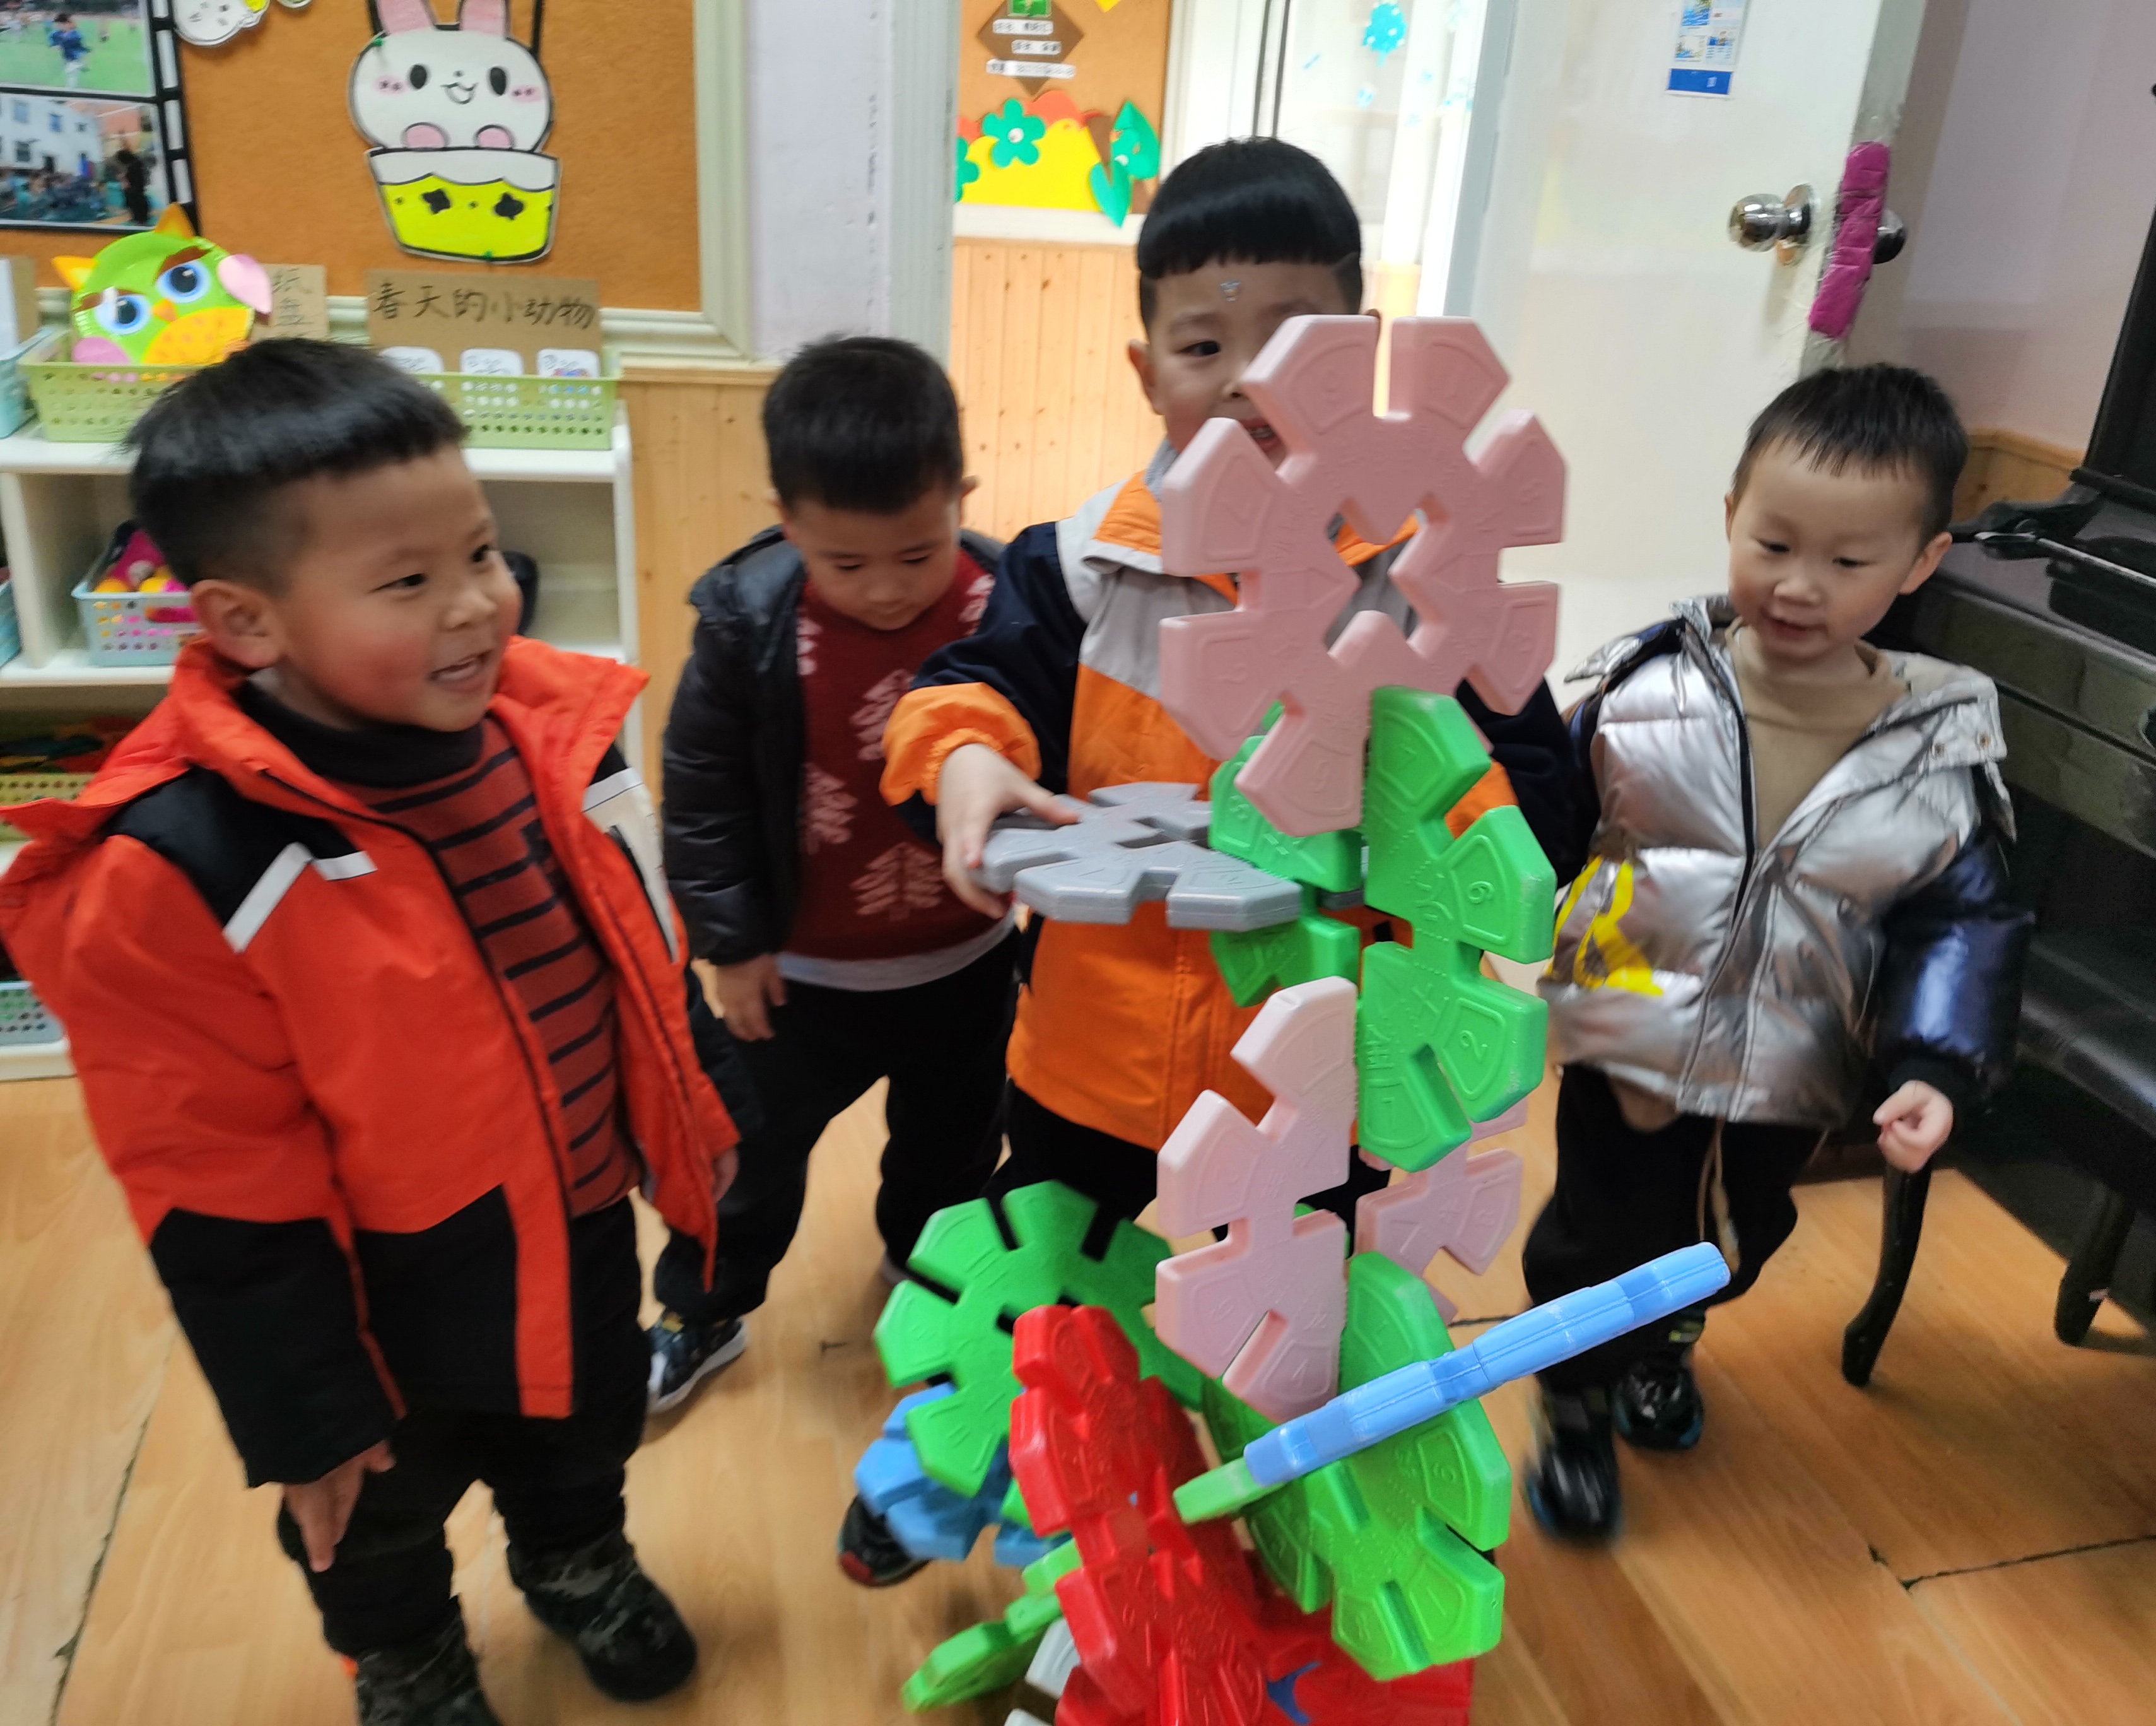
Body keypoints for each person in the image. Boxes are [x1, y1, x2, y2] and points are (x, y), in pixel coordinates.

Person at [847, 136, 1576, 1585]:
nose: (1246, 382)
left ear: (1363, 360)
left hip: (1320, 1086)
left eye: (1292, 344)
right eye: (1203, 345)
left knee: (1295, 1325)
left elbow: (1541, 808)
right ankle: (941, 1469)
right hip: (1093, 1067)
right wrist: (970, 760)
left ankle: (1277, 1533)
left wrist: (1425, 786)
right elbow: (964, 685)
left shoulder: (1430, 589)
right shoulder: (1084, 567)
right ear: (1146, 371)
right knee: (1041, 1289)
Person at [0, 340, 740, 1726]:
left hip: (578, 1213)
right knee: (372, 1508)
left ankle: (575, 1558)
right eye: (407, 582)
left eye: (482, 552)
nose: (477, 603)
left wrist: (700, 1116)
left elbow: (637, 954)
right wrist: (303, 1409)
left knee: (580, 1428)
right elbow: (211, 1176)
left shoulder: (551, 737)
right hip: (374, 1288)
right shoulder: (180, 866)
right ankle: (410, 1656)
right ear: (246, 620)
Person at [1520, 364, 2032, 1541]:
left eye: (1847, 562)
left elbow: (1960, 923)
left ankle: (1667, 1343)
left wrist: (1933, 1064)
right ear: (1729, 517)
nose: (1799, 585)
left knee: (1731, 1242)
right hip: (1627, 1033)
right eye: (1773, 543)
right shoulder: (1642, 692)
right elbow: (1538, 828)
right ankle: (1575, 1399)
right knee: (1599, 1231)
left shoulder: (1934, 752)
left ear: (1920, 563)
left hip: (1794, 1062)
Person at [650, 336, 1015, 1419]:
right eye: (845, 564)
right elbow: (703, 794)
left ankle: (925, 1279)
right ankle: (703, 1309)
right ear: (787, 521)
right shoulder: (749, 623)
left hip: (966, 961)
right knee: (749, 1156)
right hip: (797, 980)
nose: (887, 589)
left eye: (917, 553)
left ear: (960, 497)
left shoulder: (1006, 602)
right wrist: (731, 946)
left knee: (953, 1148)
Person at [111, 141, 146, 226]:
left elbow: (133, 178)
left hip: (135, 190)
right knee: (136, 203)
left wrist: (125, 178)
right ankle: (139, 218)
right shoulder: (136, 163)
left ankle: (139, 219)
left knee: (135, 203)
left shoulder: (133, 166)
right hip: (137, 190)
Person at [49, 11, 86, 88]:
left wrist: (61, 44)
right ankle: (79, 67)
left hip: (76, 57)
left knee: (71, 73)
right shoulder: (57, 34)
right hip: (66, 58)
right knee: (68, 70)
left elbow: (75, 42)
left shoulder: (76, 35)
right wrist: (54, 45)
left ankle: (70, 90)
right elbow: (52, 39)